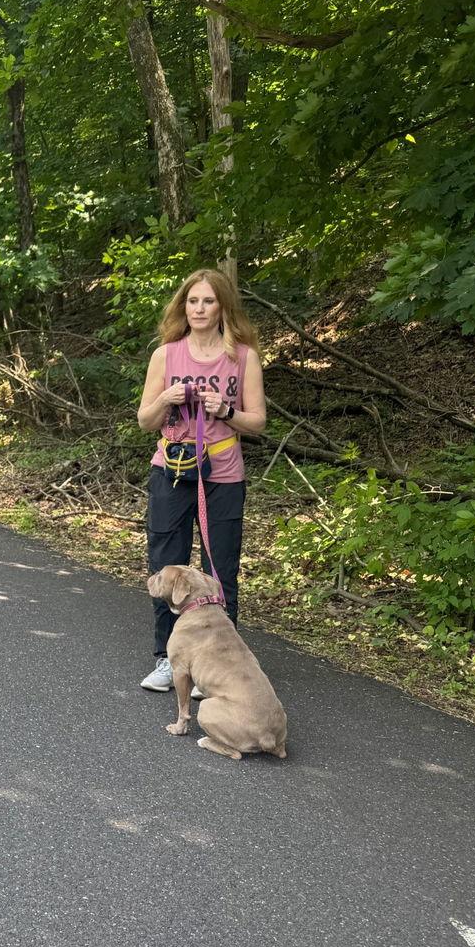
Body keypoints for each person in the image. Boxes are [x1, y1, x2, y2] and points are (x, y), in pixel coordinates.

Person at [136, 268, 267, 692]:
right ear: (183, 306)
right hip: (172, 471)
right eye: (192, 301)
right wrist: (164, 399)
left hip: (223, 474)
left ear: (223, 307)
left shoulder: (242, 356)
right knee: (166, 565)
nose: (199, 309)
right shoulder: (166, 355)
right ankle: (165, 658)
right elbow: (144, 421)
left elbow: (258, 422)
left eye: (208, 301)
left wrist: (224, 411)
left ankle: (216, 662)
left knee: (220, 568)